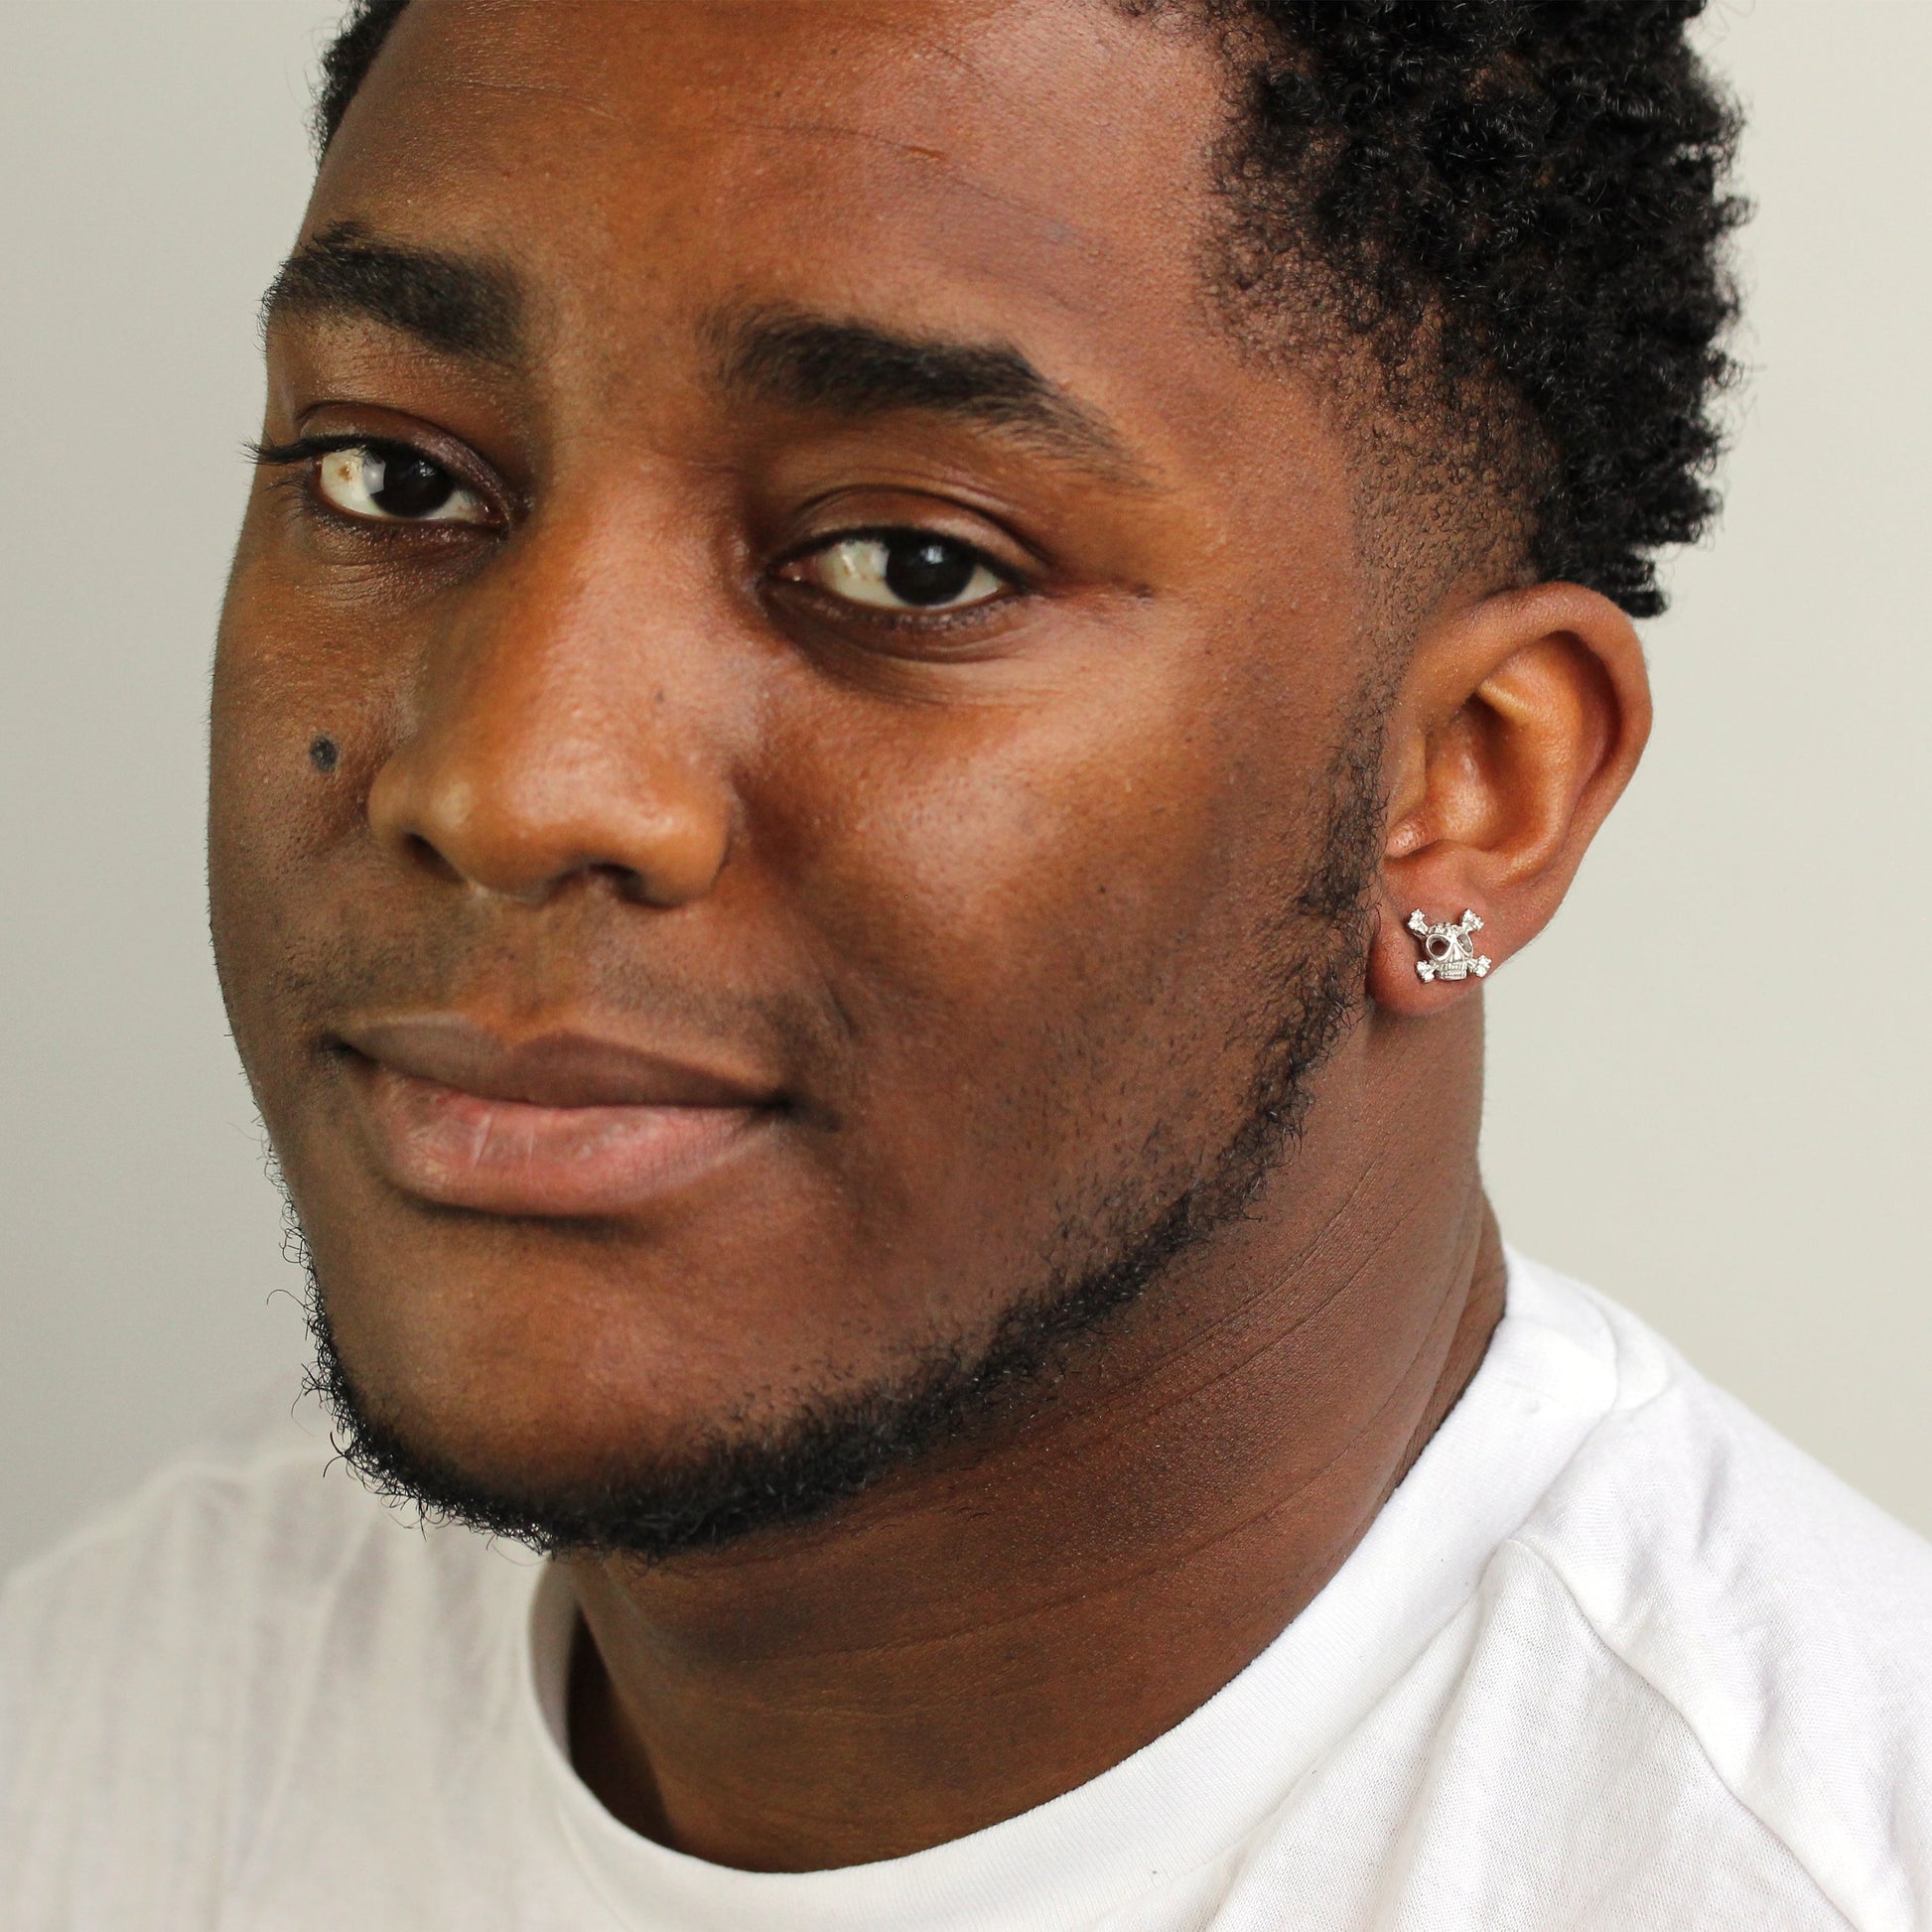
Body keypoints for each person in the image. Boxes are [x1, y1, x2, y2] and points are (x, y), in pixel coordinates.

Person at [4, 0, 1927, 1924]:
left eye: (912, 564)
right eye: (392, 477)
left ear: (1467, 788)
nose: (513, 785)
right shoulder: (100, 1734)